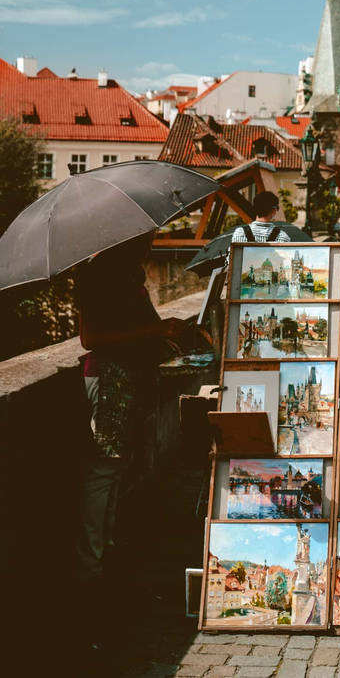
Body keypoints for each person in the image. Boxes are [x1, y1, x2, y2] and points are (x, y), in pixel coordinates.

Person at [74, 236, 190, 597]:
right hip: (110, 377)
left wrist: (162, 336)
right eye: (144, 240)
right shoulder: (100, 277)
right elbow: (90, 338)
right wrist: (154, 330)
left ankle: (104, 548)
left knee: (118, 467)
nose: (149, 245)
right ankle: (90, 563)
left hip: (128, 375)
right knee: (105, 469)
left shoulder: (124, 276)